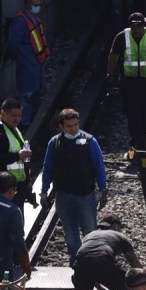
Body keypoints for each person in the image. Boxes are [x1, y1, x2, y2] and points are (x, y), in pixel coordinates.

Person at [40, 108, 107, 266]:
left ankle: (91, 261)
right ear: (61, 127)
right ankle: (76, 262)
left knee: (89, 231)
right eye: (69, 126)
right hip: (63, 195)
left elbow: (99, 166)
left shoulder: (90, 141)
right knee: (70, 233)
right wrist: (44, 191)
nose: (74, 128)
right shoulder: (54, 143)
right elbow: (47, 167)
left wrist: (103, 188)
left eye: (76, 125)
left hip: (85, 195)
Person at [106, 12, 146, 151]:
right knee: (132, 112)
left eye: (140, 27)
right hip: (129, 82)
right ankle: (136, 140)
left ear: (144, 25)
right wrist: (110, 74)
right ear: (130, 27)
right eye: (135, 28)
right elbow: (113, 56)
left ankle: (145, 136)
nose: (138, 30)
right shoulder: (122, 37)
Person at [72, 215, 142, 290]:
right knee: (129, 289)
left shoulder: (89, 235)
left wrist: (100, 289)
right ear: (115, 226)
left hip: (81, 262)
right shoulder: (119, 235)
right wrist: (142, 280)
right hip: (103, 260)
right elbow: (133, 261)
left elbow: (90, 265)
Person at [5, 0, 50, 129]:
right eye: (35, 5)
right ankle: (24, 123)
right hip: (26, 64)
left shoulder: (34, 19)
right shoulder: (21, 22)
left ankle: (34, 120)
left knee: (35, 92)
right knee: (26, 95)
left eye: (38, 5)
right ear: (27, 4)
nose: (37, 7)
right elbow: (13, 43)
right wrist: (10, 56)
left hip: (35, 64)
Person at [0, 98, 33, 210]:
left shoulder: (11, 128)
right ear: (3, 113)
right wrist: (18, 156)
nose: (17, 119)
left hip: (15, 187)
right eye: (14, 116)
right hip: (3, 190)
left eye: (19, 115)